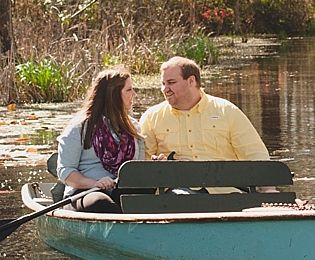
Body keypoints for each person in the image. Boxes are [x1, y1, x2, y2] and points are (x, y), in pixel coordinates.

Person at [139, 56, 271, 163]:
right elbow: (141, 163)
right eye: (163, 84)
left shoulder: (227, 111)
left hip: (224, 192)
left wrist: (268, 190)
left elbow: (255, 153)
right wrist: (156, 168)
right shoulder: (152, 118)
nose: (165, 89)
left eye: (171, 83)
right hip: (175, 193)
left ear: (191, 81)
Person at [56, 66, 143, 212]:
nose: (134, 94)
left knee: (146, 196)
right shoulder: (80, 127)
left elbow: (137, 169)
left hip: (120, 190)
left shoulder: (133, 127)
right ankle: (121, 227)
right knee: (100, 202)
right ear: (113, 95)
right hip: (86, 193)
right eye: (129, 90)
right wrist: (95, 183)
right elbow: (65, 171)